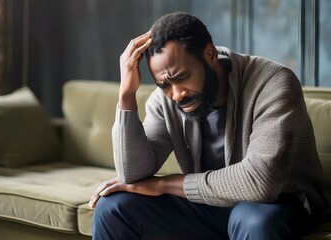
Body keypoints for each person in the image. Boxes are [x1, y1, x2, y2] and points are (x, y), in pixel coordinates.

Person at [89, 12, 331, 240]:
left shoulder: (274, 82)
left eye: (182, 77)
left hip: (280, 203)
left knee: (252, 220)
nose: (176, 95)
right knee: (113, 207)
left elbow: (261, 182)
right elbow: (132, 175)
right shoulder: (165, 100)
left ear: (210, 55)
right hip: (210, 204)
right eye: (164, 84)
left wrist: (162, 184)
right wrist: (126, 96)